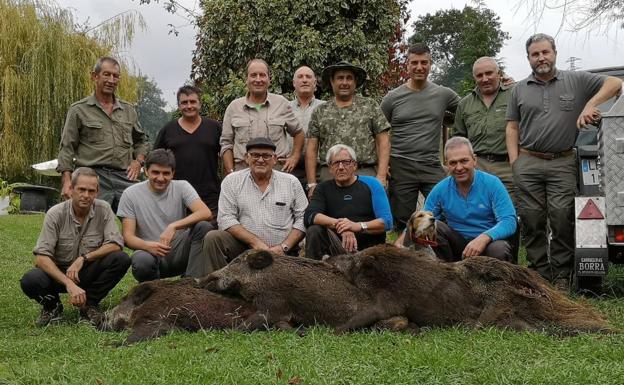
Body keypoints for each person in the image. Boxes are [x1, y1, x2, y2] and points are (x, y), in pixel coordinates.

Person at [506, 33, 622, 290]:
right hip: (528, 161)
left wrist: (589, 104)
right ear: (528, 59)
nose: (541, 58)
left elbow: (615, 83)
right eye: (535, 54)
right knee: (532, 219)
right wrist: (515, 161)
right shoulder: (519, 89)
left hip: (562, 161)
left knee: (561, 217)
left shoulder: (577, 80)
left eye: (545, 52)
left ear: (555, 53)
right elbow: (512, 127)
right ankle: (538, 273)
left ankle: (561, 276)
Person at [20, 167, 130, 326]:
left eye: (91, 191)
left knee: (121, 259)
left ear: (97, 192)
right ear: (71, 189)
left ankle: (89, 304)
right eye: (81, 189)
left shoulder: (104, 209)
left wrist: (83, 259)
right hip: (59, 273)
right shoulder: (55, 213)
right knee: (30, 279)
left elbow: (116, 244)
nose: (86, 195)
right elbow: (41, 258)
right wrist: (69, 283)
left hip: (87, 269)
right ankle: (52, 307)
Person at [396, 137, 516, 262]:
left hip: (488, 244)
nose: (459, 168)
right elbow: (420, 221)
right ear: (446, 164)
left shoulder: (492, 184)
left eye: (464, 161)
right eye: (453, 163)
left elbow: (509, 221)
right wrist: (400, 244)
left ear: (474, 160)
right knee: (436, 226)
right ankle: (445, 273)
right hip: (456, 246)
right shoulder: (440, 189)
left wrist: (484, 238)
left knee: (499, 249)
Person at [380, 43, 460, 232]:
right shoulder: (392, 98)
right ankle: (403, 257)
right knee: (402, 222)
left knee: (444, 213)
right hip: (400, 165)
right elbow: (379, 133)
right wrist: (382, 165)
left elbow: (469, 109)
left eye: (424, 62)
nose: (419, 67)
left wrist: (502, 87)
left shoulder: (443, 94)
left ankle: (441, 257)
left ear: (431, 64)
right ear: (407, 65)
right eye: (414, 62)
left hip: (431, 164)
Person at [57, 56, 149, 212]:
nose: (111, 80)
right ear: (95, 76)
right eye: (106, 74)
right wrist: (67, 181)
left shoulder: (128, 110)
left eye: (115, 76)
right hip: (92, 177)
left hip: (124, 176)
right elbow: (67, 147)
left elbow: (142, 141)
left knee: (142, 216)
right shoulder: (79, 110)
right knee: (88, 224)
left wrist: (138, 161)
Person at [202, 137, 307, 270]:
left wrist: (284, 246)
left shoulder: (291, 182)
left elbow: (303, 217)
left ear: (275, 159)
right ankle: (216, 286)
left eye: (266, 156)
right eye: (255, 155)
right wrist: (256, 243)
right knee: (213, 238)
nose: (261, 160)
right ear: (246, 157)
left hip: (283, 251)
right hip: (244, 249)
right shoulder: (232, 181)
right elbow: (225, 218)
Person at [117, 149, 215, 282]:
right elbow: (128, 237)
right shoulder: (130, 194)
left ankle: (192, 283)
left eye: (166, 173)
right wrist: (148, 246)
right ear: (146, 171)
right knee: (142, 262)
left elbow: (205, 212)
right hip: (148, 253)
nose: (161, 178)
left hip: (178, 250)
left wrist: (173, 226)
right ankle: (152, 292)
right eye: (155, 172)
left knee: (203, 227)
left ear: (173, 173)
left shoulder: (182, 186)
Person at [306, 61, 390, 197]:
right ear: (332, 82)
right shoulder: (320, 111)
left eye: (349, 78)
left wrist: (381, 176)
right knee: (331, 216)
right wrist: (312, 183)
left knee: (367, 215)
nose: (344, 82)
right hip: (330, 174)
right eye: (340, 78)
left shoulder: (370, 106)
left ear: (355, 82)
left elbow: (384, 141)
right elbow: (311, 148)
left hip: (365, 173)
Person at [304, 144, 392, 259]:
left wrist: (357, 226)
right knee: (314, 230)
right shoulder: (322, 188)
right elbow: (310, 216)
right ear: (330, 168)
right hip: (336, 246)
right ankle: (314, 273)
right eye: (335, 163)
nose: (340, 167)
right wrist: (342, 226)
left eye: (346, 162)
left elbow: (387, 221)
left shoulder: (372, 184)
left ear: (354, 165)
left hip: (369, 247)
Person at [220, 58, 304, 175]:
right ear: (246, 79)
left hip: (277, 172)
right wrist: (231, 173)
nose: (258, 79)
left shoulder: (281, 103)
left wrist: (294, 157)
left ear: (269, 79)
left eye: (262, 75)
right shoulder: (234, 107)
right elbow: (226, 143)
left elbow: (299, 132)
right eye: (253, 75)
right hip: (243, 173)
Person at [154, 85, 222, 214]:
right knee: (178, 232)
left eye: (192, 102)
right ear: (179, 106)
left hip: (210, 195)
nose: (189, 106)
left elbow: (226, 154)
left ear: (200, 104)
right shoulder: (168, 130)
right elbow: (156, 160)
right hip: (176, 195)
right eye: (184, 102)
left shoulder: (214, 127)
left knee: (207, 231)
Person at [288, 65, 326, 186]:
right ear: (294, 83)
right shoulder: (284, 108)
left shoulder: (325, 107)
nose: (304, 80)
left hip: (320, 171)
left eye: (308, 77)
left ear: (315, 83)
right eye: (300, 77)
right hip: (290, 171)